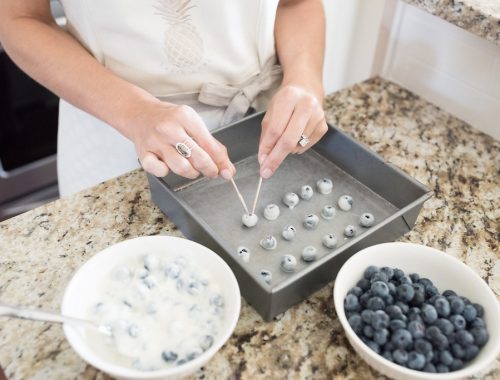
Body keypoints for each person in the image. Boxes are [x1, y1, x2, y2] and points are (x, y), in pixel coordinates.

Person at [0, 0, 327, 197]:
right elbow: (19, 18)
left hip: (263, 126)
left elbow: (295, 3)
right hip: (115, 128)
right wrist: (134, 111)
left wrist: (305, 80)